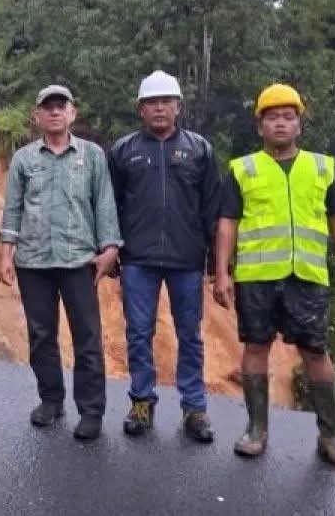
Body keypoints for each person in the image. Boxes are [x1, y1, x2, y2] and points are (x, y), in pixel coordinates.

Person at [213, 83, 335, 471]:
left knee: (316, 351)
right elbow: (227, 223)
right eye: (272, 117)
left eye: (288, 117)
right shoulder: (242, 169)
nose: (280, 124)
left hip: (308, 277)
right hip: (257, 277)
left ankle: (330, 438)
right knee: (255, 348)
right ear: (260, 126)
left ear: (299, 124)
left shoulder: (322, 167)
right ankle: (256, 430)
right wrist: (221, 272)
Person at [0, 85, 122, 439]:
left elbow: (104, 203)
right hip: (33, 262)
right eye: (47, 107)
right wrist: (6, 253)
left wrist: (110, 248)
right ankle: (51, 400)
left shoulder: (93, 155)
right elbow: (13, 208)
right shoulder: (24, 159)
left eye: (60, 106)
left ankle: (92, 410)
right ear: (37, 116)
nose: (54, 112)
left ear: (72, 113)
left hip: (79, 260)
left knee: (87, 336)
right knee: (41, 335)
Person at [107, 70, 219, 443]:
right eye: (151, 103)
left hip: (187, 259)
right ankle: (142, 402)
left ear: (178, 107)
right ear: (141, 109)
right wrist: (112, 249)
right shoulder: (124, 151)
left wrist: (216, 263)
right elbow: (111, 205)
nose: (159, 108)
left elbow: (212, 208)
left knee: (190, 335)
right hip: (138, 258)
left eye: (165, 102)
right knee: (139, 334)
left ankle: (195, 408)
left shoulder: (200, 149)